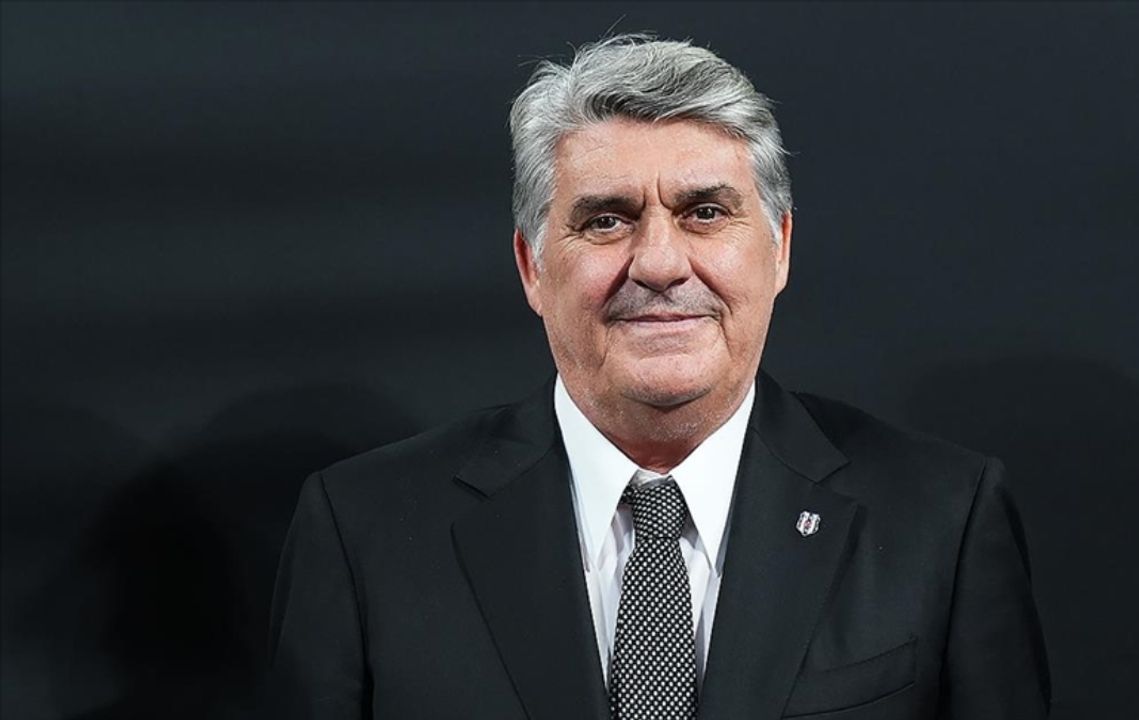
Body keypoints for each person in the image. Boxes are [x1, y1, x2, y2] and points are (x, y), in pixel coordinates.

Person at [269, 34, 1052, 719]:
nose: (660, 264)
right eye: (606, 220)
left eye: (705, 212)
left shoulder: (940, 519)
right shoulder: (365, 532)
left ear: (779, 248)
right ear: (532, 266)